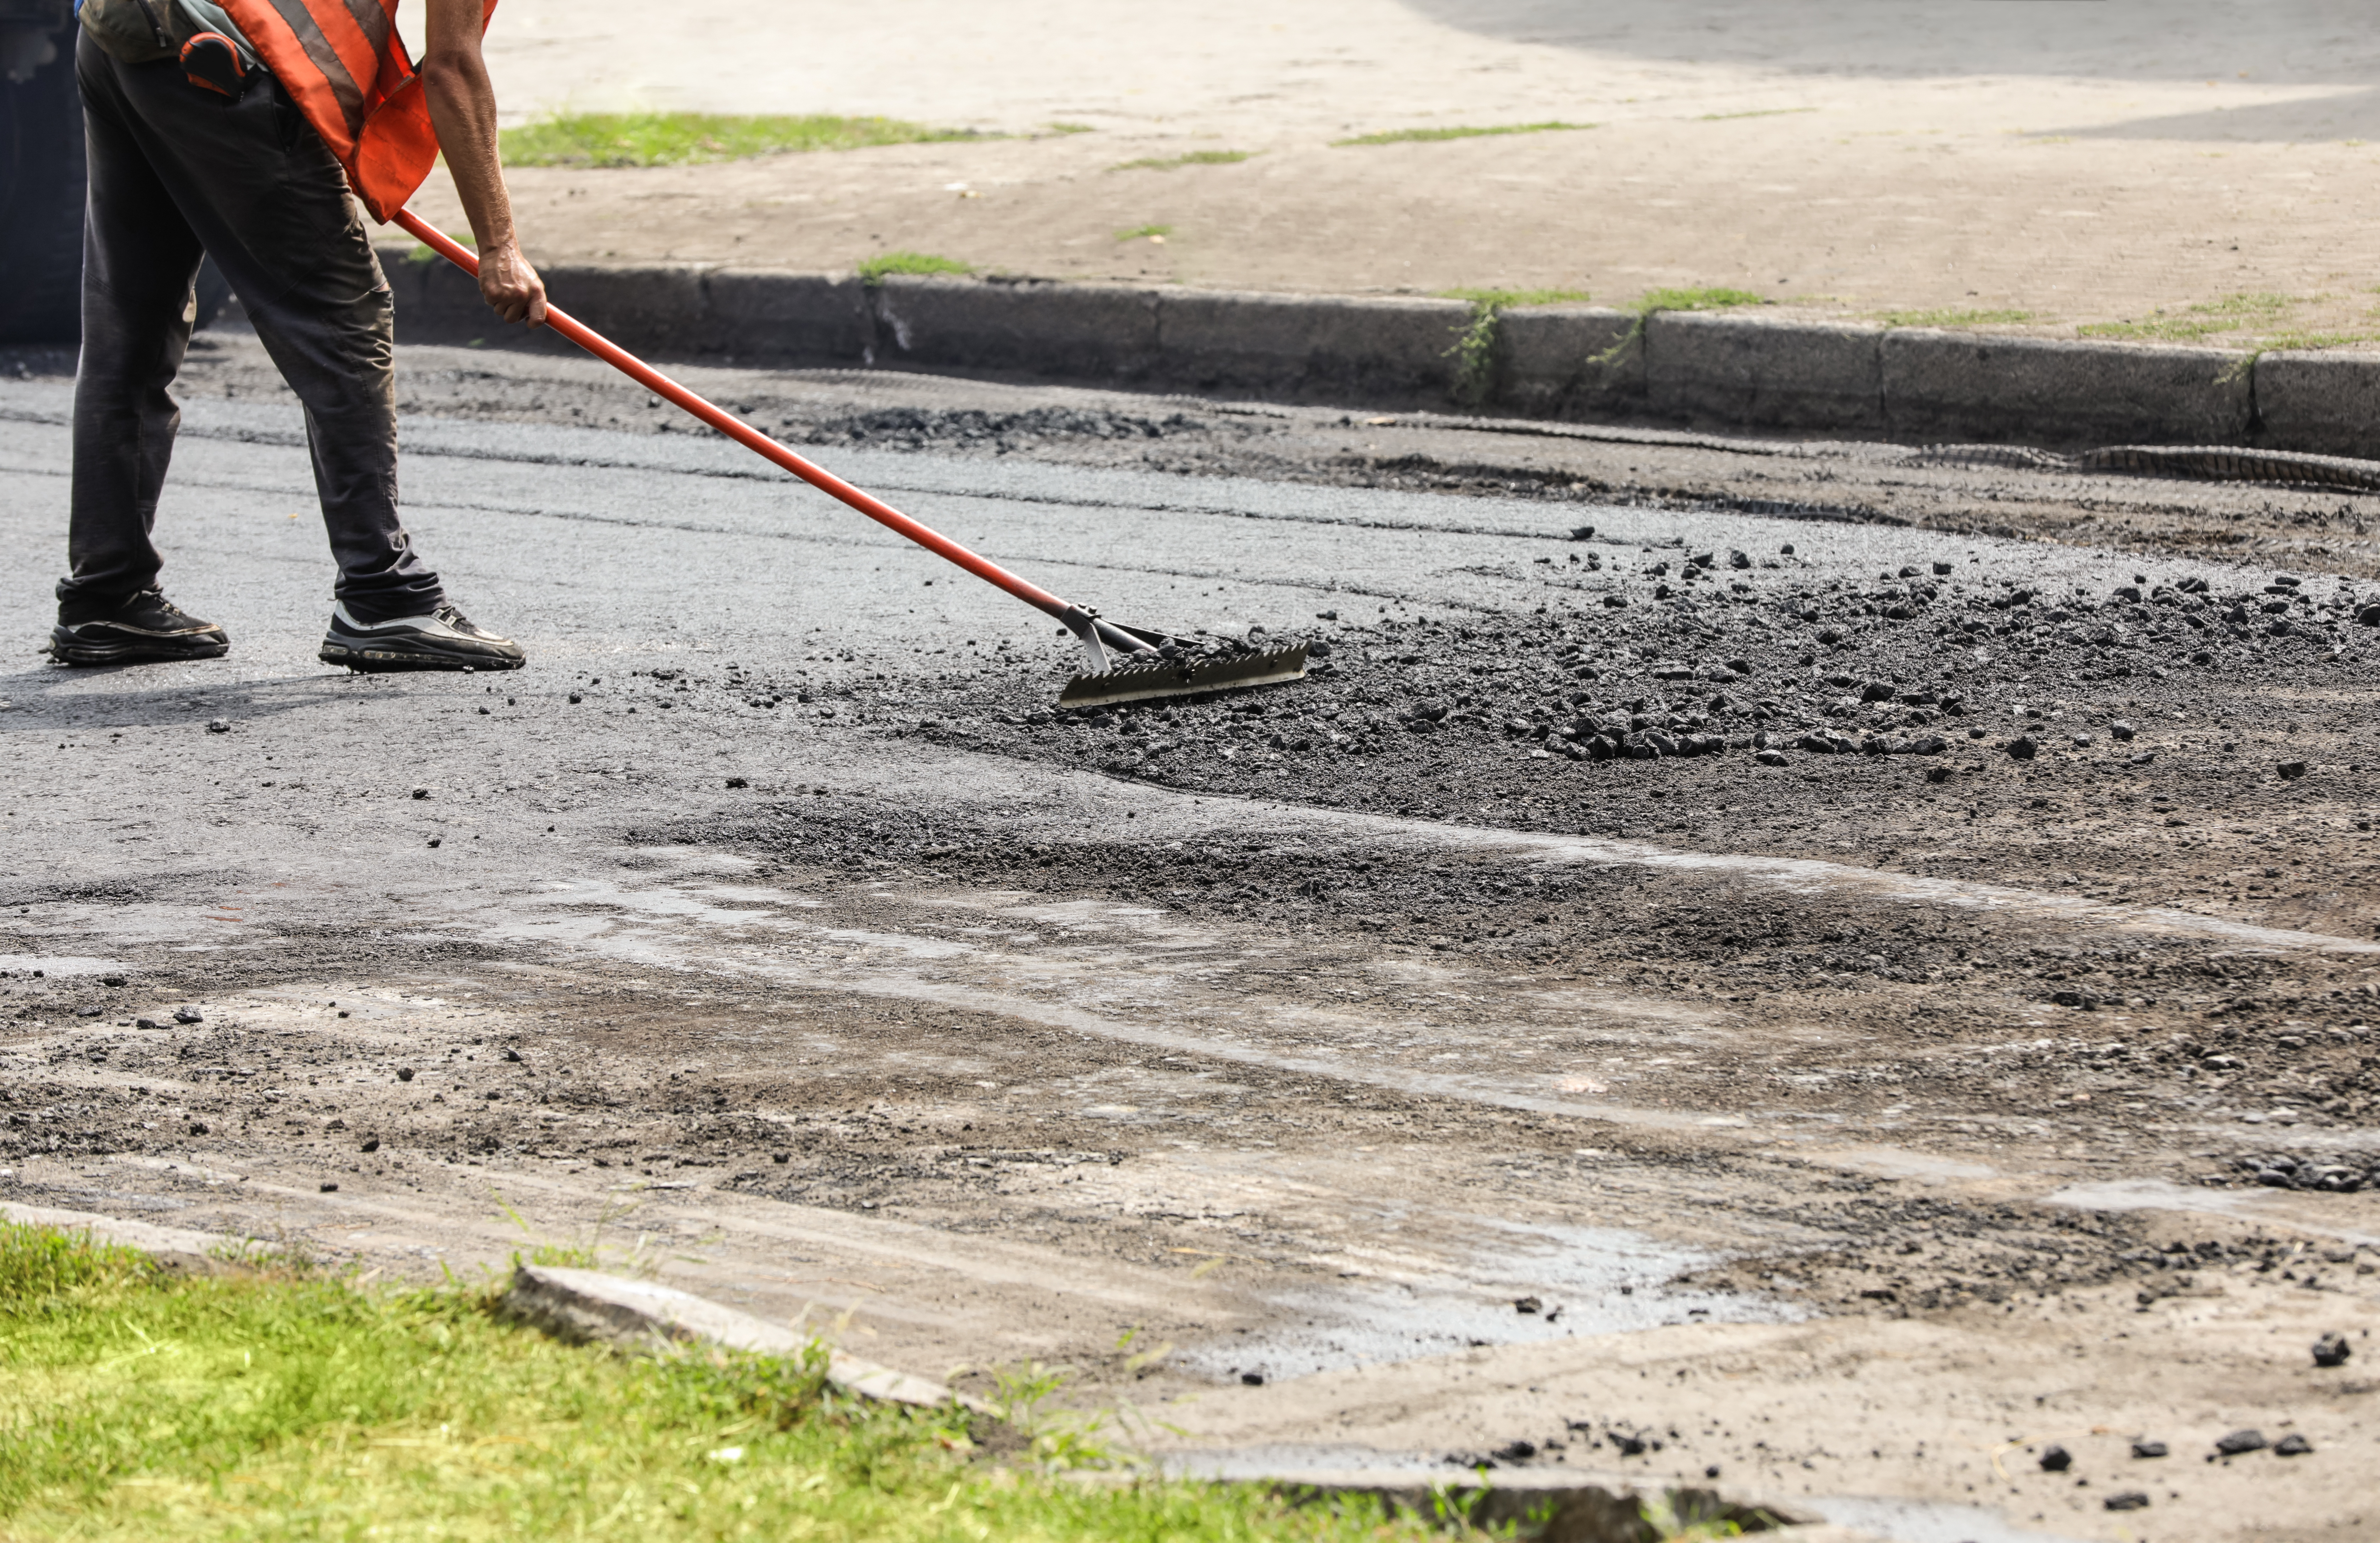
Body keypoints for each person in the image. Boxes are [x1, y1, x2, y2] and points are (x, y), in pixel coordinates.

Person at [53, 0, 543, 671]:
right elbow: (453, 67)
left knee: (130, 327)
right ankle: (383, 594)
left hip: (117, 34)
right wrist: (500, 246)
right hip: (212, 54)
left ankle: (106, 595)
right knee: (344, 316)